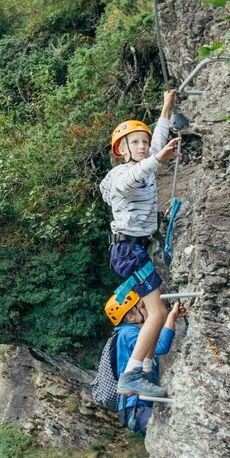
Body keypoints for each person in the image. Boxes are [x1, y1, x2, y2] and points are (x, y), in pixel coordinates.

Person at [100, 89, 180, 397]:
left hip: (134, 249)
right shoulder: (119, 174)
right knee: (157, 313)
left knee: (154, 311)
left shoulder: (146, 161)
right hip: (127, 249)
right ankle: (133, 374)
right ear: (122, 150)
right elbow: (132, 179)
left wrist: (166, 108)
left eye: (144, 142)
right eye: (136, 142)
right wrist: (158, 158)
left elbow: (158, 143)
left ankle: (144, 369)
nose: (143, 146)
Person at [116, 300, 186, 435]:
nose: (148, 308)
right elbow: (161, 347)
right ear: (131, 317)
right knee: (170, 435)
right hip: (136, 405)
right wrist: (170, 316)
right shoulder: (128, 333)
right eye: (142, 307)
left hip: (139, 403)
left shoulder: (131, 332)